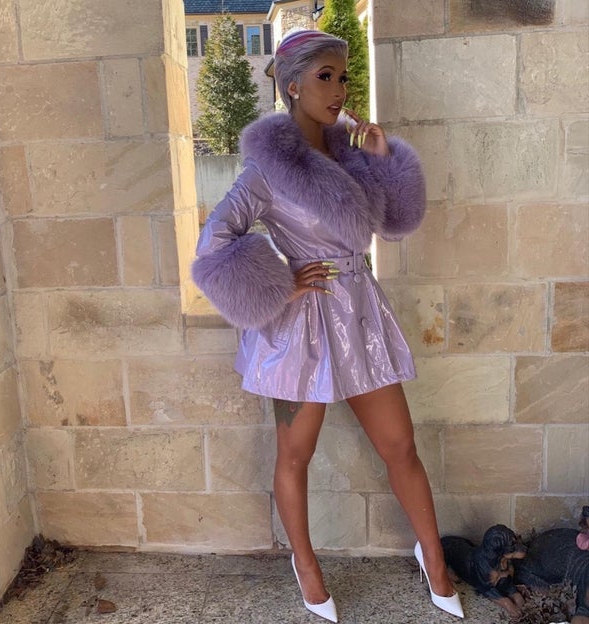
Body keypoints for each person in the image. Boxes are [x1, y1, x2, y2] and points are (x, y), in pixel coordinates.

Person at [192, 29, 464, 622]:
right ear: (292, 86)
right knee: (296, 453)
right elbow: (212, 244)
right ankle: (306, 566)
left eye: (343, 77)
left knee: (401, 445)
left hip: (360, 313)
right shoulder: (266, 169)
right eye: (325, 77)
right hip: (301, 325)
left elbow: (395, 223)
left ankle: (434, 558)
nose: (339, 89)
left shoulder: (350, 151)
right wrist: (280, 282)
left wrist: (382, 160)